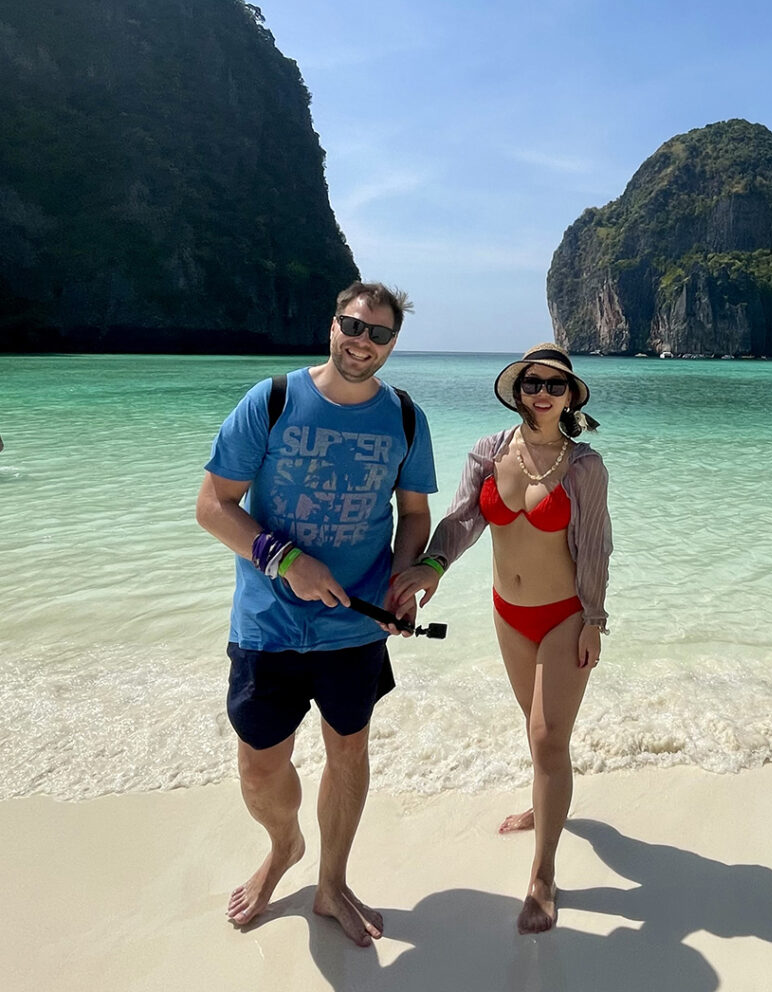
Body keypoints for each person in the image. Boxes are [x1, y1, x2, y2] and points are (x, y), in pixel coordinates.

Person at [195, 281, 437, 945]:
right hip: (267, 625)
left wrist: (402, 583)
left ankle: (332, 881)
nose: (363, 342)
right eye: (352, 326)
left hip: (353, 627)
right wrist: (285, 559)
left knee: (348, 751)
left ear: (392, 344)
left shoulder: (406, 418)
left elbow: (414, 516)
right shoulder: (271, 400)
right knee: (259, 768)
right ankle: (284, 848)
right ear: (332, 324)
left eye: (379, 334)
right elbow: (213, 505)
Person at [390, 343, 612, 935]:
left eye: (555, 385)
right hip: (507, 612)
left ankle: (543, 875)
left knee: (546, 736)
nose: (542, 392)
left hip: (565, 614)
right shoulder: (489, 452)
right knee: (534, 725)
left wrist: (595, 618)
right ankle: (545, 806)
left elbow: (595, 547)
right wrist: (431, 566)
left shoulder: (584, 466)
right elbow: (463, 518)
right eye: (532, 382)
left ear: (570, 396)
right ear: (518, 390)